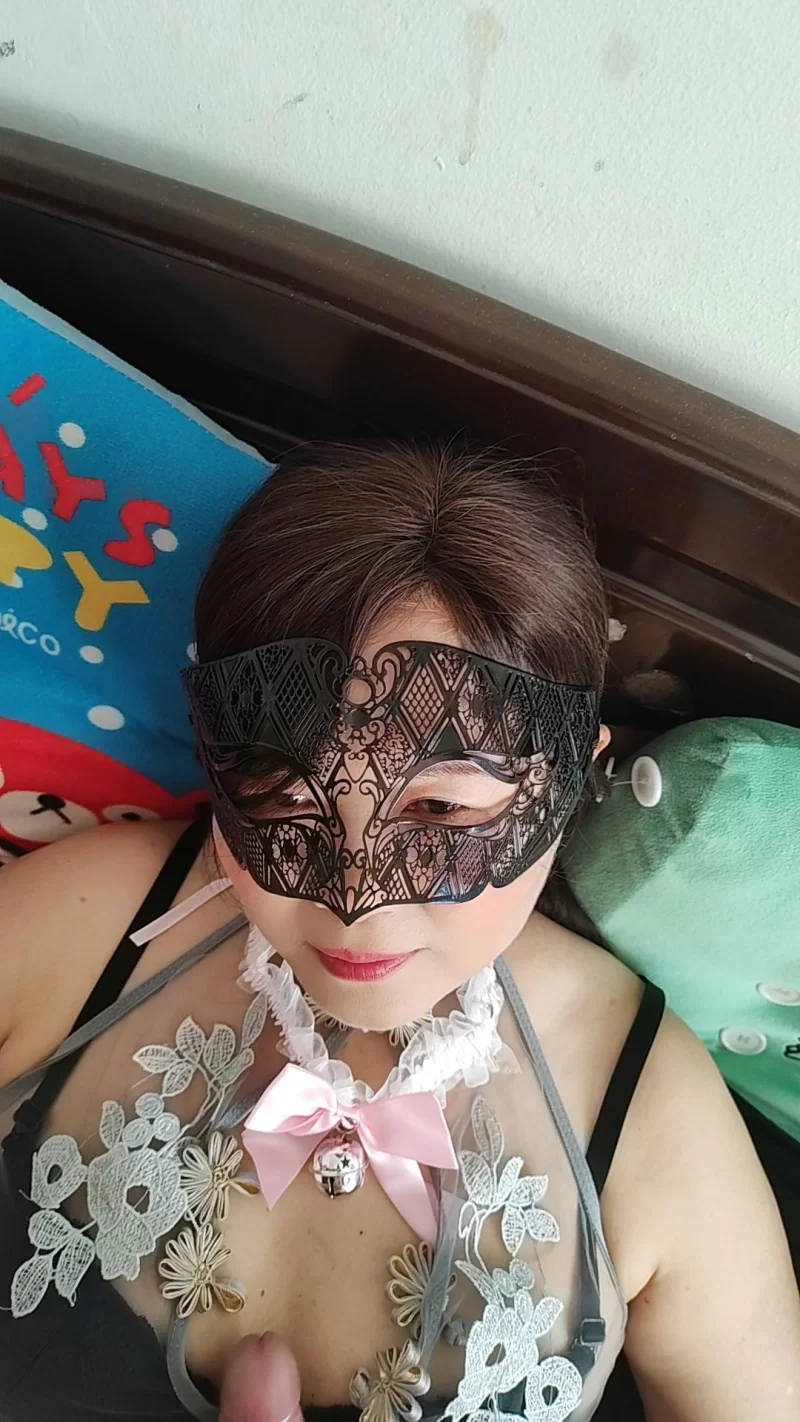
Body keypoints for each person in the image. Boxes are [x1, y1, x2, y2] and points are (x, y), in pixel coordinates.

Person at [0, 442, 798, 1422]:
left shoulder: (648, 1121)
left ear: (566, 779)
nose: (356, 905)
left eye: (442, 814)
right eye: (283, 796)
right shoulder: (80, 929)